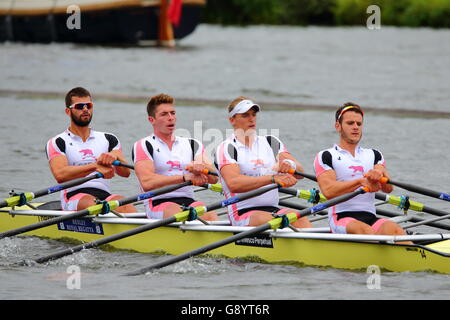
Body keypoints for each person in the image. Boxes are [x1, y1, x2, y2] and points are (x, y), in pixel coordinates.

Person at [214, 96, 312, 228]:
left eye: (254, 114)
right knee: (283, 220)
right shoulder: (227, 147)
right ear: (232, 120)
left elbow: (300, 173)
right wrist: (272, 178)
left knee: (301, 219)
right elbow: (234, 183)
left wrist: (290, 165)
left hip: (273, 211)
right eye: (245, 115)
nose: (251, 119)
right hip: (243, 214)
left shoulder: (271, 142)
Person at [314, 102, 408, 237]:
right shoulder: (327, 155)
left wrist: (379, 175)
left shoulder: (374, 154)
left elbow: (388, 189)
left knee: (394, 229)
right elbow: (328, 191)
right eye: (350, 123)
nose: (355, 127)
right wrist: (360, 182)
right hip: (340, 217)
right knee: (365, 231)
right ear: (338, 126)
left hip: (370, 217)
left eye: (359, 124)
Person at [45, 87, 136, 213]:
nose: (85, 109)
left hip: (105, 196)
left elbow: (125, 173)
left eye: (88, 105)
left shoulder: (109, 139)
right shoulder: (58, 141)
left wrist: (116, 156)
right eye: (79, 106)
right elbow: (60, 175)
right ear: (68, 111)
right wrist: (95, 167)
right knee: (92, 203)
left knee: (125, 204)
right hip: (73, 197)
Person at [132, 93, 219, 220]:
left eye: (173, 113)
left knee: (210, 215)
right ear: (152, 120)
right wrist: (184, 178)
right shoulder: (143, 145)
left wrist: (202, 169)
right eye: (164, 114)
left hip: (188, 201)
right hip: (158, 202)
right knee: (176, 211)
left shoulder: (192, 144)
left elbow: (214, 179)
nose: (170, 118)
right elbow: (147, 182)